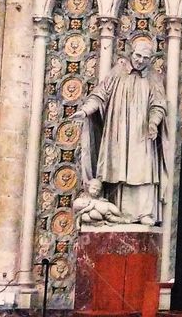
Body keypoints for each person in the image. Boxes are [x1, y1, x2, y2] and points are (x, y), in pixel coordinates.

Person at [72, 37, 170, 226]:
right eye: (138, 55)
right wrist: (85, 111)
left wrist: (153, 122)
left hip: (141, 134)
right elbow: (100, 95)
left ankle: (144, 212)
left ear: (150, 59)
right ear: (131, 53)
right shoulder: (117, 72)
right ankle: (116, 211)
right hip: (118, 132)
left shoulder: (153, 78)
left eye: (145, 58)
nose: (140, 60)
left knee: (143, 169)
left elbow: (159, 104)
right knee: (117, 168)